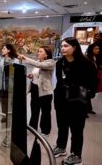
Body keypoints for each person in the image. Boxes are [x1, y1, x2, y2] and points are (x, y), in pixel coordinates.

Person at [52, 37, 97, 165]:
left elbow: (93, 82)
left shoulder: (86, 63)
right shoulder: (60, 63)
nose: (62, 49)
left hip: (78, 101)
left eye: (66, 46)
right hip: (61, 99)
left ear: (75, 47)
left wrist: (88, 95)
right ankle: (61, 147)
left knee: (76, 129)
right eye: (62, 46)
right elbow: (60, 81)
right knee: (62, 125)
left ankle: (76, 155)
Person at [18, 46, 55, 137]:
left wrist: (25, 58)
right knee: (34, 109)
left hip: (44, 91)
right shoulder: (38, 62)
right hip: (35, 89)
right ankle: (32, 128)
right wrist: (32, 75)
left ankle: (45, 131)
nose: (38, 53)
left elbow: (40, 66)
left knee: (45, 112)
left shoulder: (51, 62)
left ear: (47, 54)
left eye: (40, 51)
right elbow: (37, 72)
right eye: (38, 51)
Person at [0, 44, 18, 123]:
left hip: (10, 83)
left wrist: (9, 60)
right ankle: (4, 115)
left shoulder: (15, 60)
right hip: (1, 82)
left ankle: (11, 115)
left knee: (10, 101)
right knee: (2, 100)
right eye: (2, 49)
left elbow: (15, 72)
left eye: (4, 49)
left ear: (9, 50)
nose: (2, 50)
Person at [85, 43, 100, 114]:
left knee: (90, 94)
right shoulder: (87, 58)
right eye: (96, 49)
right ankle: (85, 110)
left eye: (98, 48)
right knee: (87, 94)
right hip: (88, 79)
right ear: (91, 49)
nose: (98, 50)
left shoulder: (96, 57)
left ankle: (88, 109)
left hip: (94, 78)